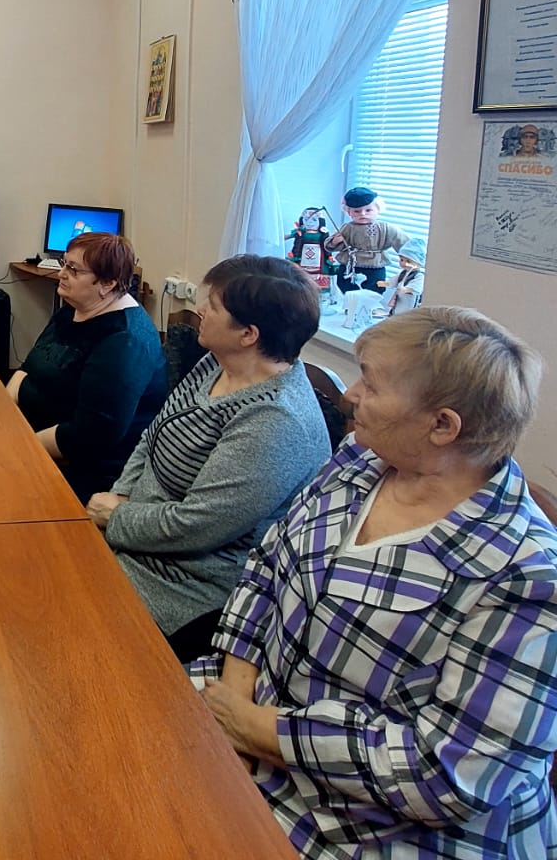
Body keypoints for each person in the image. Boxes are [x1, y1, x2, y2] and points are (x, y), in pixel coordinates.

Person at [191, 307, 557, 859]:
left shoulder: (527, 576)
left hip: (371, 824)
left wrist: (263, 732)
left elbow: (448, 775)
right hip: (244, 715)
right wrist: (235, 700)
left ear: (442, 426)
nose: (351, 393)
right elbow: (268, 565)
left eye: (372, 382)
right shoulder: (357, 463)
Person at [86, 256, 330, 661]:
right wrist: (120, 497)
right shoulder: (216, 362)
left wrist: (116, 517)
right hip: (132, 536)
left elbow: (197, 527)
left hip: (187, 590)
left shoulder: (275, 421)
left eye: (213, 306)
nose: (200, 310)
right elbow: (154, 437)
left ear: (249, 334)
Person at [7, 233, 168, 503]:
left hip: (84, 467)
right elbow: (29, 366)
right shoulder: (74, 308)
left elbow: (89, 435)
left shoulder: (125, 341)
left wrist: (20, 447)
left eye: (73, 269)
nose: (62, 274)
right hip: (32, 435)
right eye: (64, 264)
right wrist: (4, 411)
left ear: (107, 283)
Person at [325, 185, 408, 294]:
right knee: (347, 287)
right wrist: (336, 241)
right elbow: (330, 246)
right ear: (349, 212)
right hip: (351, 265)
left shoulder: (385, 228)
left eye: (368, 210)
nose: (363, 214)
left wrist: (408, 258)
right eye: (357, 211)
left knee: (375, 288)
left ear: (378, 209)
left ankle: (369, 308)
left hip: (375, 265)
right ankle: (351, 307)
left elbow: (404, 243)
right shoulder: (348, 228)